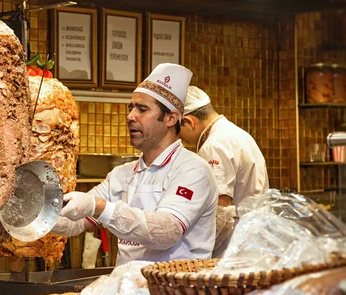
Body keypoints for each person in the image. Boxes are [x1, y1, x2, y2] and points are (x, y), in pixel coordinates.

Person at [50, 63, 219, 266]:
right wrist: (34, 213)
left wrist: (99, 207)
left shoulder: (193, 170)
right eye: (131, 108)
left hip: (176, 292)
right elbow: (73, 222)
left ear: (171, 118)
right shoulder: (122, 174)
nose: (130, 116)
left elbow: (166, 232)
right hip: (128, 289)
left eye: (142, 109)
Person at [179, 86, 269, 256]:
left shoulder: (214, 145)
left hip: (233, 247)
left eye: (179, 132)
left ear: (189, 121)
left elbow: (221, 209)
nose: (181, 140)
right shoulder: (237, 134)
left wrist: (196, 249)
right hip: (253, 240)